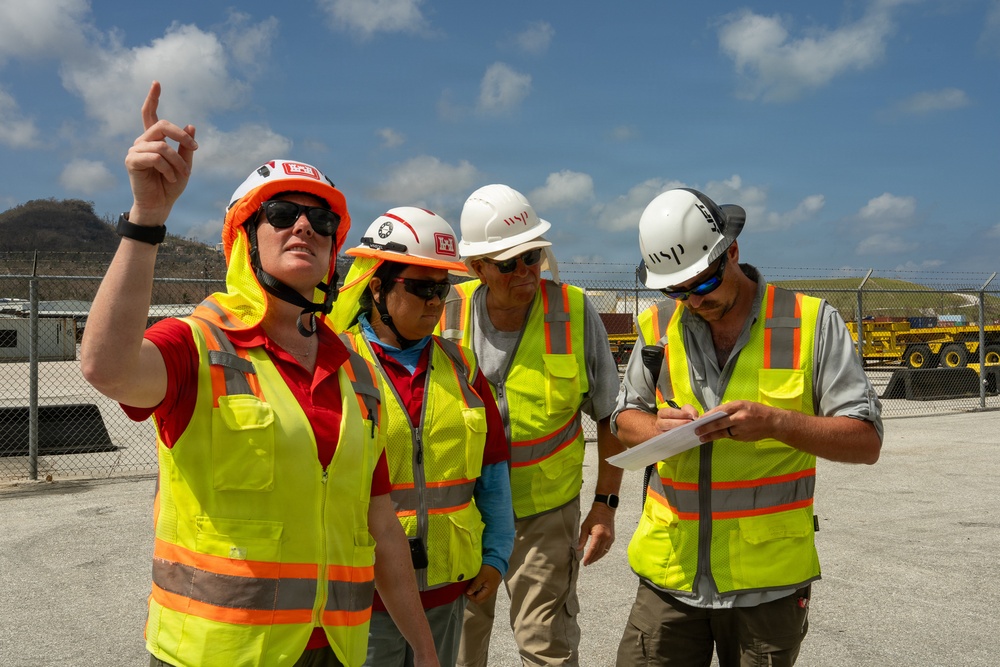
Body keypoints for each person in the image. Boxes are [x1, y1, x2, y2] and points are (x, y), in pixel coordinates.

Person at [80, 81, 439, 667]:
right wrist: (148, 216)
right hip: (218, 653)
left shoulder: (356, 374)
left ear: (333, 249)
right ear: (246, 238)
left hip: (336, 652)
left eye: (321, 220)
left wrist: (421, 649)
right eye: (281, 214)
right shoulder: (198, 343)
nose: (304, 227)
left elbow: (379, 524)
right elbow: (106, 368)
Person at [612, 188, 884, 666]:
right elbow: (623, 419)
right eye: (676, 290)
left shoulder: (811, 322)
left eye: (702, 285)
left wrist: (779, 422)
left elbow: (865, 441)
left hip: (767, 588)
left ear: (732, 252)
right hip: (668, 578)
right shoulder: (657, 324)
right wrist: (658, 431)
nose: (692, 302)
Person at [437, 184, 625, 667]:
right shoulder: (443, 313)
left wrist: (604, 506)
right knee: (458, 647)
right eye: (508, 263)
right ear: (476, 267)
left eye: (533, 257)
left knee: (547, 647)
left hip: (545, 512)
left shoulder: (575, 311)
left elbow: (611, 416)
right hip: (463, 515)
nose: (525, 272)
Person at [329, 207, 516, 666]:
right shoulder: (336, 366)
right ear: (377, 286)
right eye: (420, 288)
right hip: (365, 593)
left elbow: (493, 476)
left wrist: (497, 556)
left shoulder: (463, 368)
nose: (435, 302)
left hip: (447, 590)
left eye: (442, 290)